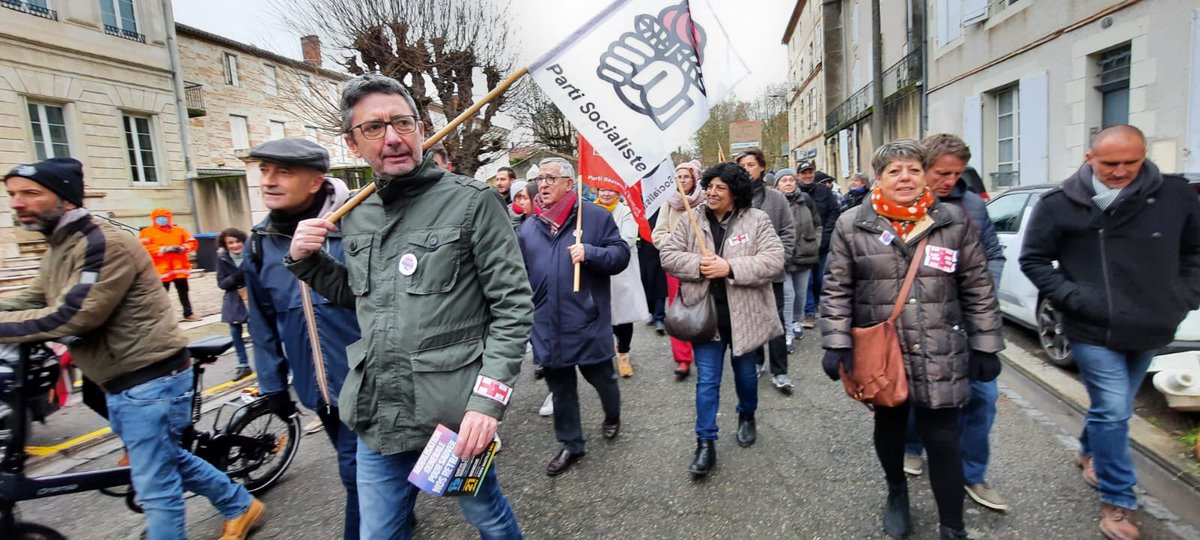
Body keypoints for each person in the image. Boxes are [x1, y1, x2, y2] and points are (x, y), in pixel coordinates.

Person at [286, 74, 532, 538]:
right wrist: (307, 262)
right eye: (374, 128)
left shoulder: (472, 202)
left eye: (403, 122)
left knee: (489, 519)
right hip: (378, 415)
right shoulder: (358, 213)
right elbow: (361, 297)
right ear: (353, 143)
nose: (394, 137)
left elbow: (514, 307)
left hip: (454, 420)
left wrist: (487, 403)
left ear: (421, 129)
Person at [1, 158, 264, 539]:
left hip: (149, 381)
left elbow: (76, 316)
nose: (17, 202)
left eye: (30, 193)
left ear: (65, 199)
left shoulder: (102, 243)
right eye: (12, 194)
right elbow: (31, 298)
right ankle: (242, 506)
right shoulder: (61, 245)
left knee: (157, 486)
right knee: (166, 459)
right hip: (121, 382)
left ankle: (239, 507)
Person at [1020, 125, 1200, 540]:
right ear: (1089, 159)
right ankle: (1118, 503)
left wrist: (1184, 296)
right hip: (1090, 327)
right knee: (1117, 411)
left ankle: (1089, 451)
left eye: (1130, 163)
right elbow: (1034, 261)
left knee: (1109, 411)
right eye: (1110, 163)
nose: (1120, 171)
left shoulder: (1175, 195)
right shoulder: (1059, 203)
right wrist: (1074, 298)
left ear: (1144, 157)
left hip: (1153, 322)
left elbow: (1194, 252)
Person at [819, 140, 1003, 540]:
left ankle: (952, 524)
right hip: (883, 350)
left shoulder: (951, 220)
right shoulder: (853, 223)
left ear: (924, 176)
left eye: (913, 170)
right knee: (891, 425)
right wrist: (836, 341)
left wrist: (986, 343)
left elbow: (977, 285)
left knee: (943, 437)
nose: (904, 178)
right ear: (879, 179)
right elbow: (836, 287)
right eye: (894, 171)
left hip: (941, 345)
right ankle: (896, 491)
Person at [241, 138, 362, 539]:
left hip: (367, 378)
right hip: (317, 388)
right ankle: (395, 510)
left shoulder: (356, 223)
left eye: (283, 171)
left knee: (354, 470)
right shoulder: (259, 242)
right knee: (361, 469)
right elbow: (261, 318)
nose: (269, 181)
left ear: (316, 182)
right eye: (264, 170)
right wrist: (272, 382)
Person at [900, 133, 1010, 511]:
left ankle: (972, 472)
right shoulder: (904, 206)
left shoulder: (971, 205)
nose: (949, 180)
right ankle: (912, 446)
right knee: (918, 392)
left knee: (983, 397)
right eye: (941, 172)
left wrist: (980, 289)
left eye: (957, 173)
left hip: (969, 320)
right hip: (921, 319)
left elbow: (993, 253)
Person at [660, 162, 784, 477]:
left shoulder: (758, 220)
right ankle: (705, 442)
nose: (712, 193)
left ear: (735, 193)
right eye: (710, 186)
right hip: (705, 318)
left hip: (746, 317)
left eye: (720, 188)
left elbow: (774, 260)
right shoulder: (693, 218)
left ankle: (747, 415)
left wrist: (729, 268)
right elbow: (668, 255)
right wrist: (700, 265)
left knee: (745, 378)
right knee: (707, 382)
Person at [518, 157, 628, 476]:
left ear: (569, 182)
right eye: (540, 178)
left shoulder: (592, 217)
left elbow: (620, 255)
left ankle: (612, 414)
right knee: (561, 390)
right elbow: (520, 271)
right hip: (547, 324)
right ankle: (571, 444)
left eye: (551, 178)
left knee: (601, 378)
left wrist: (590, 253)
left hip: (586, 319)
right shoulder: (529, 226)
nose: (544, 184)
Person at [735, 150, 795, 392]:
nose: (747, 169)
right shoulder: (735, 198)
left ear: (761, 167)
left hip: (772, 273)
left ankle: (780, 371)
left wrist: (780, 259)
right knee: (752, 320)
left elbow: (789, 232)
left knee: (776, 322)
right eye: (742, 165)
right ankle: (757, 361)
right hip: (745, 272)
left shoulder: (776, 198)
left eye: (751, 164)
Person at [652, 160, 705, 379]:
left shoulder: (705, 201)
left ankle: (703, 353)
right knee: (679, 311)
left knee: (703, 309)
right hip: (677, 264)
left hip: (702, 263)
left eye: (686, 176)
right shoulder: (669, 203)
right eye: (679, 177)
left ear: (694, 178)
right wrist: (675, 243)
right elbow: (658, 234)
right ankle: (682, 359)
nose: (682, 181)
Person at [596, 187, 650, 378]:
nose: (606, 194)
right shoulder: (589, 211)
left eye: (611, 191)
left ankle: (624, 352)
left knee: (623, 315)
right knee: (600, 314)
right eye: (603, 191)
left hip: (621, 271)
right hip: (597, 270)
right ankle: (606, 350)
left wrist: (598, 248)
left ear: (618, 193)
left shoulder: (625, 211)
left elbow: (627, 239)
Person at [773, 168, 822, 354]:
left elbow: (818, 224)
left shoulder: (806, 200)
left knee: (801, 295)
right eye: (783, 180)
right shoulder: (774, 203)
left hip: (804, 254)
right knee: (788, 294)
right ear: (777, 184)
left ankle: (796, 321)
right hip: (782, 257)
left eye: (791, 180)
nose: (788, 183)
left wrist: (815, 243)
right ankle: (787, 333)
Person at [797, 161, 841, 330]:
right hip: (803, 246)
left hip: (823, 244)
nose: (807, 176)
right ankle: (809, 312)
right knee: (806, 281)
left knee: (821, 279)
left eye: (810, 172)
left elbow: (833, 212)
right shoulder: (796, 193)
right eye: (804, 173)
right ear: (798, 175)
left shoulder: (824, 191)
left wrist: (826, 236)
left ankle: (820, 307)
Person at [139, 208, 200, 322]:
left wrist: (183, 248)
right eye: (158, 218)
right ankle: (161, 317)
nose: (161, 220)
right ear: (153, 219)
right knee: (161, 294)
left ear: (169, 218)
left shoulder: (179, 230)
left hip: (179, 269)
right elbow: (144, 248)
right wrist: (164, 249)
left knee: (184, 291)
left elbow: (192, 242)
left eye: (164, 218)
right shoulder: (147, 232)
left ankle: (188, 313)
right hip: (161, 270)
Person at [216, 228, 252, 380]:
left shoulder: (251, 254)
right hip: (234, 300)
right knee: (235, 333)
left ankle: (268, 364)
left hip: (252, 299)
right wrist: (236, 277)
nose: (235, 245)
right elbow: (221, 283)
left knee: (258, 333)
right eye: (230, 243)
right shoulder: (222, 258)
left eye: (238, 241)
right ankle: (243, 365)